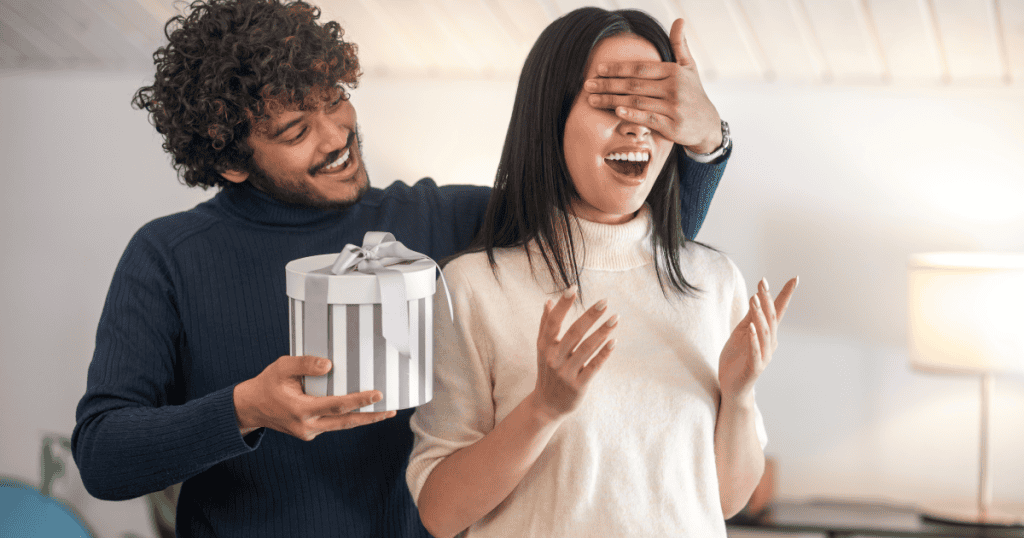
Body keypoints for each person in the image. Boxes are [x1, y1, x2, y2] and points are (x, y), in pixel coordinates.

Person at [71, 0, 733, 536]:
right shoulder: (168, 258)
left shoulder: (438, 223)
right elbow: (104, 455)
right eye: (296, 130)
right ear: (230, 162)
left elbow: (624, 244)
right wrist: (246, 409)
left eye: (333, 100)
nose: (334, 136)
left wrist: (709, 141)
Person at [406, 7, 799, 538]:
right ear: (550, 119)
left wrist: (740, 393)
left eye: (654, 104)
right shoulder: (473, 287)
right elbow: (440, 512)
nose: (636, 122)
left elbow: (727, 500)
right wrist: (543, 409)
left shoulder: (714, 279)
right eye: (611, 103)